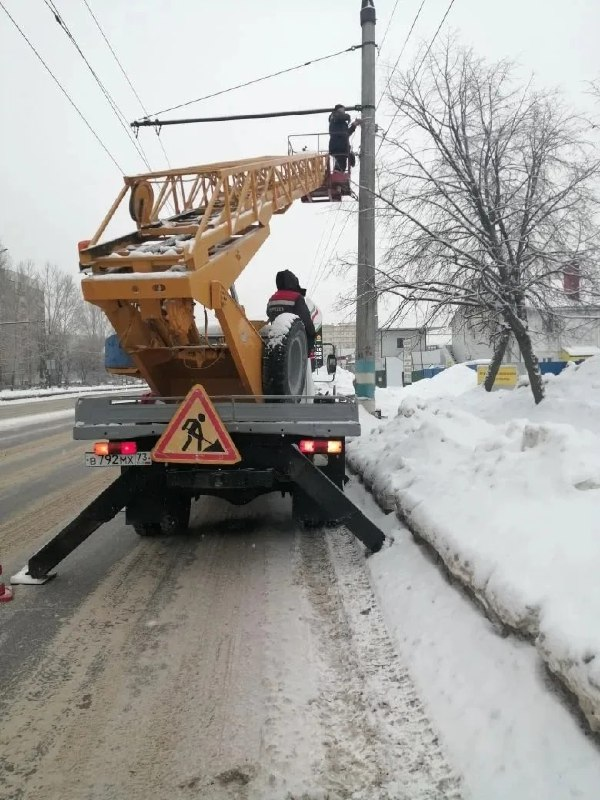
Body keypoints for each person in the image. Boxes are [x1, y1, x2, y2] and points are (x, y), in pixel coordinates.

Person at [266, 270, 316, 352]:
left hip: (275, 339)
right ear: (293, 282)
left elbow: (268, 313)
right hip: (294, 343)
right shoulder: (296, 297)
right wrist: (312, 335)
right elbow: (305, 318)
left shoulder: (273, 298)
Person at [328, 104, 361, 172]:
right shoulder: (334, 116)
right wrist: (348, 116)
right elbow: (341, 117)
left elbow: (346, 133)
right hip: (338, 144)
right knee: (341, 162)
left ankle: (338, 170)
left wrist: (354, 125)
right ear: (338, 109)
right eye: (343, 109)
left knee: (343, 162)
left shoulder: (340, 122)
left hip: (341, 145)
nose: (344, 111)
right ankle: (338, 169)